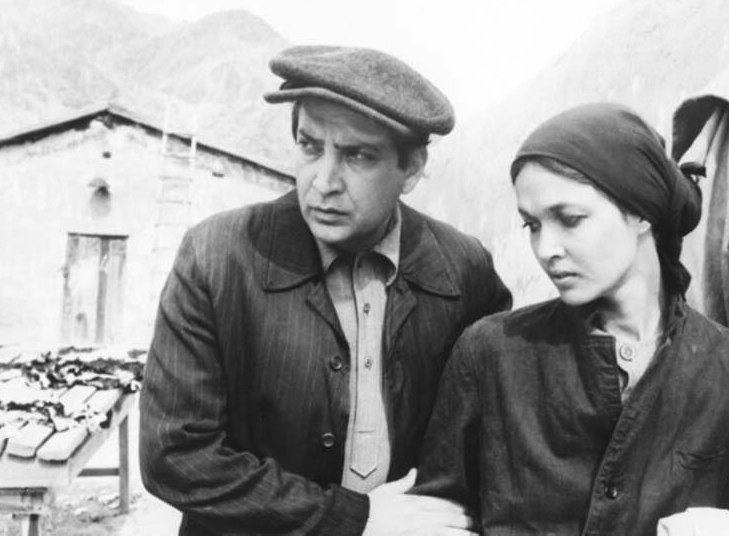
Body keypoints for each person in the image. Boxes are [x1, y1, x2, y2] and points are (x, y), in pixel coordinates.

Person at [139, 45, 512, 535]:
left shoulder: (464, 270)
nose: (323, 182)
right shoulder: (217, 256)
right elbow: (175, 455)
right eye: (310, 146)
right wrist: (352, 520)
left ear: (412, 168)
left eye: (357, 155)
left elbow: (495, 443)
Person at [413, 103, 729, 535]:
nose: (546, 249)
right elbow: (433, 520)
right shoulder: (492, 353)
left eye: (570, 219)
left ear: (641, 212)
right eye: (532, 225)